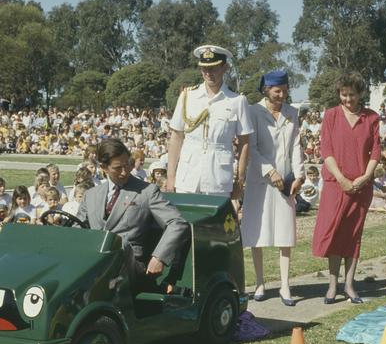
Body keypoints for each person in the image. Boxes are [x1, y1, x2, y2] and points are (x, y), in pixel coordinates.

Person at [77, 138, 189, 293]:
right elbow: (76, 229)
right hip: (94, 263)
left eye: (127, 164)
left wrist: (159, 257)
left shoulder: (147, 191)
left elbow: (177, 223)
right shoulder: (91, 195)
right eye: (117, 168)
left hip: (129, 266)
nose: (125, 172)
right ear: (103, 167)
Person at [312, 72, 381, 304]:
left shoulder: (372, 118)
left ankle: (349, 285)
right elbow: (326, 151)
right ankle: (332, 286)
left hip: (361, 186)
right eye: (344, 95)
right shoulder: (331, 116)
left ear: (360, 93)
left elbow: (376, 151)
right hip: (335, 184)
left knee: (353, 235)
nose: (348, 99)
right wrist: (341, 178)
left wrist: (365, 176)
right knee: (333, 233)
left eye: (352, 95)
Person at [241, 71, 305, 306]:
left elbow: (296, 146)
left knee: (284, 234)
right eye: (277, 91)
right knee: (258, 233)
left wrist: (299, 175)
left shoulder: (292, 113)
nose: (282, 95)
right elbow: (252, 149)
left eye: (285, 91)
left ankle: (285, 285)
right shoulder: (253, 111)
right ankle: (259, 283)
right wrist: (270, 171)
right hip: (261, 181)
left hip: (286, 182)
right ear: (266, 90)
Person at [167, 45, 253, 199]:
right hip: (187, 177)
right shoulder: (187, 96)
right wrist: (171, 176)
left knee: (215, 224)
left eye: (213, 68)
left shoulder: (237, 101)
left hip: (218, 179)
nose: (208, 73)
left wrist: (240, 180)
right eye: (204, 69)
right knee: (183, 222)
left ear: (224, 67)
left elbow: (244, 142)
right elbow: (176, 136)